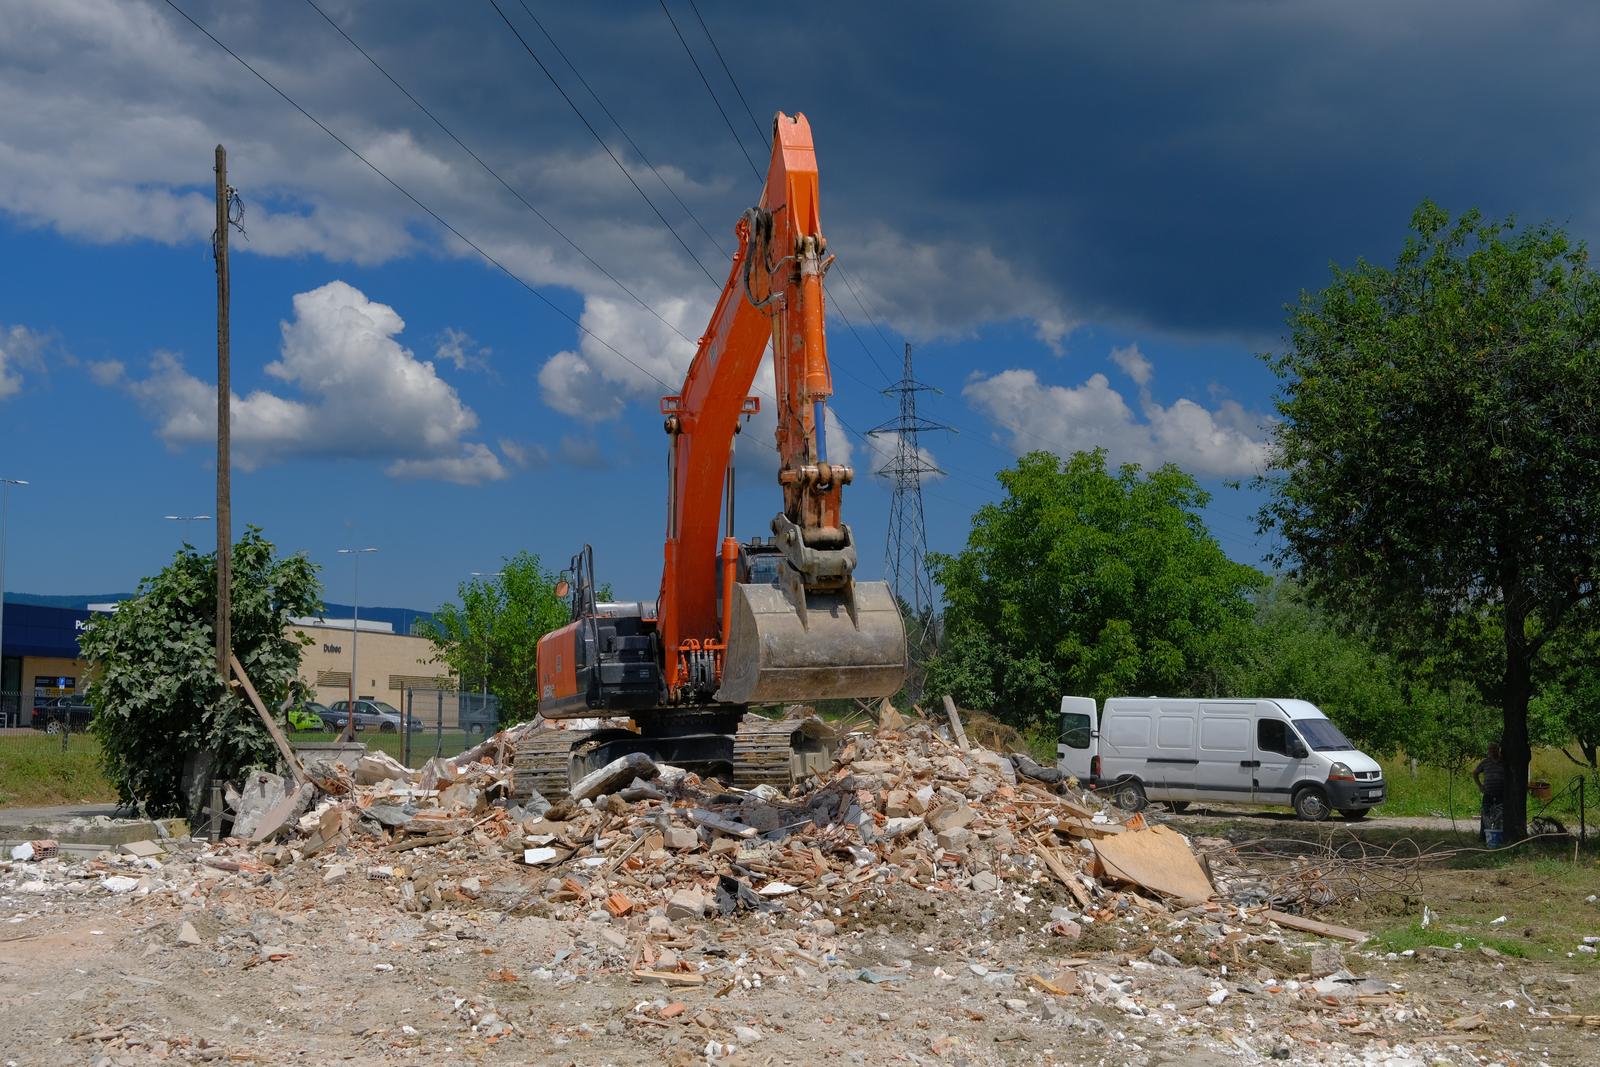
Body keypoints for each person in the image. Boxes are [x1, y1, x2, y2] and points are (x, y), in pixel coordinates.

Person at [1473, 742, 1505, 839]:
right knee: (1485, 814)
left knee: (1500, 815)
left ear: (1498, 749)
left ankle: (1499, 836)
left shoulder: (1504, 762)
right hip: (1488, 792)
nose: (1491, 751)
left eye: (1494, 749)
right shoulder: (1485, 762)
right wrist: (1480, 786)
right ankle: (1483, 836)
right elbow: (1475, 773)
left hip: (1501, 793)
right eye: (1490, 749)